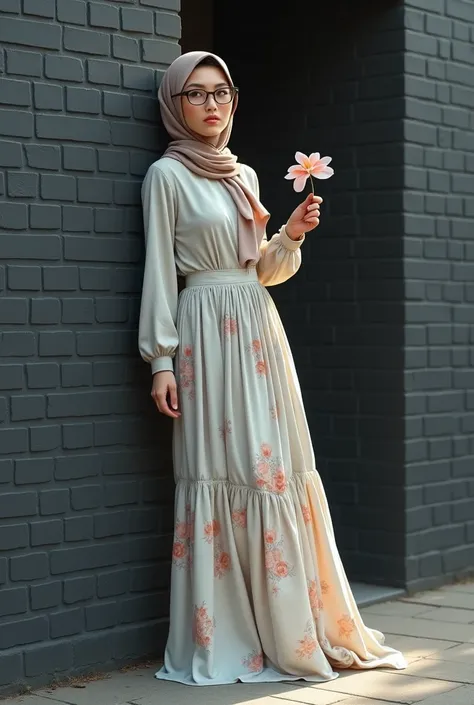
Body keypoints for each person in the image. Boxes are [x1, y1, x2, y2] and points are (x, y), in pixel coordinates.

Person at [138, 50, 406, 687]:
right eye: (196, 94)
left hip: (257, 331)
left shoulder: (246, 175)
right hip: (203, 332)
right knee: (222, 474)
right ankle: (229, 632)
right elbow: (158, 271)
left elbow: (258, 268)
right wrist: (162, 361)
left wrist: (289, 235)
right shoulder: (165, 176)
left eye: (222, 92)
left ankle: (290, 624)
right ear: (175, 105)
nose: (212, 104)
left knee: (276, 471)